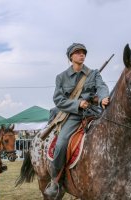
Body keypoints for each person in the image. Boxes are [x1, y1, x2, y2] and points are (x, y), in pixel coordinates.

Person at [44, 43, 110, 198]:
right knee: (61, 143)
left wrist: (103, 98)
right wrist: (77, 103)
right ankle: (55, 180)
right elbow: (58, 100)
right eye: (78, 52)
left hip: (94, 112)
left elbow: (101, 87)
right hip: (73, 115)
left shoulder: (93, 74)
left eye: (83, 52)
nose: (82, 55)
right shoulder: (61, 77)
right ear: (71, 57)